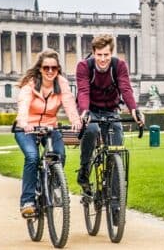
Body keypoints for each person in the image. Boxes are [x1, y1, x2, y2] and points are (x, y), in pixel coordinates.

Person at [15, 49, 81, 217]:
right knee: (32, 157)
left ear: (58, 69)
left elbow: (69, 103)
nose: (50, 71)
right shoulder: (30, 84)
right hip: (26, 128)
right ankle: (28, 201)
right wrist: (24, 123)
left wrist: (75, 120)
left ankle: (54, 186)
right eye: (46, 68)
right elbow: (23, 104)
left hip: (50, 127)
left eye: (54, 68)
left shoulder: (62, 83)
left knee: (59, 154)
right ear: (40, 69)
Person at [75, 34, 144, 194]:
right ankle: (84, 170)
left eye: (106, 55)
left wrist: (134, 109)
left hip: (111, 110)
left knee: (117, 142)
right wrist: (84, 112)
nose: (103, 59)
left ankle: (115, 200)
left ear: (112, 53)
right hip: (91, 109)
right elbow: (83, 91)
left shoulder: (119, 65)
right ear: (93, 53)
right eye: (99, 55)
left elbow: (125, 88)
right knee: (90, 130)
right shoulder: (84, 66)